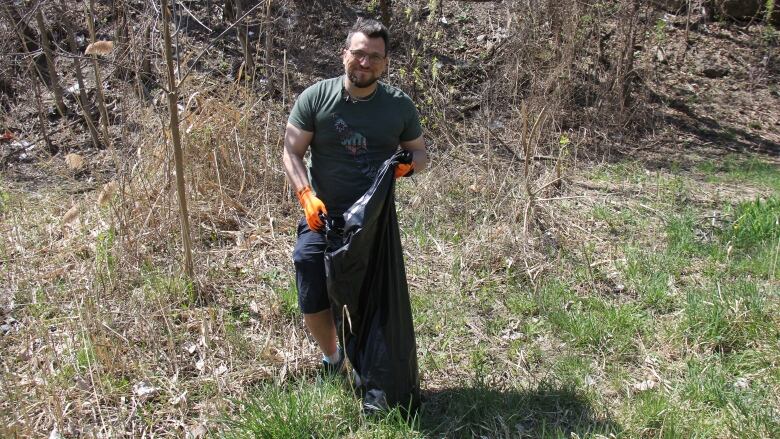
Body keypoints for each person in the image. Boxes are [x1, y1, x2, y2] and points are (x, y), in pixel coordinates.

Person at [282, 17, 428, 373]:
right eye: (359, 53)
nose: (365, 63)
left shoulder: (399, 106)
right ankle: (333, 357)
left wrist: (407, 166)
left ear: (386, 63)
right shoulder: (316, 98)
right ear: (344, 53)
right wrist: (305, 195)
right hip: (323, 214)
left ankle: (370, 360)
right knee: (309, 272)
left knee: (371, 293)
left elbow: (421, 154)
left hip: (373, 222)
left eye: (375, 57)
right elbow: (291, 152)